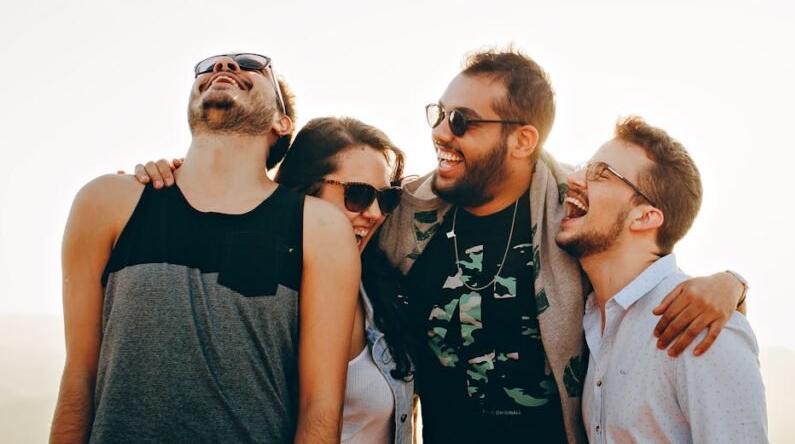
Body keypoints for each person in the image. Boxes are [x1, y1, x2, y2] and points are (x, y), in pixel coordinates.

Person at [377, 48, 749, 443]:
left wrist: (731, 284)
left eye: (460, 120)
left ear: (523, 140)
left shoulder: (574, 210)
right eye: (439, 113)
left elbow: (646, 256)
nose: (440, 131)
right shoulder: (401, 215)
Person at [50, 53, 361, 443]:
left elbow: (320, 406)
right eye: (210, 66)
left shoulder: (318, 228)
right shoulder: (106, 202)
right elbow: (79, 376)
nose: (225, 66)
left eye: (251, 66)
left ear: (282, 123)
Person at [556, 116, 768, 443]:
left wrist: (735, 283)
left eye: (600, 173)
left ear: (645, 216)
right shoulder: (592, 319)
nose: (575, 178)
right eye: (585, 166)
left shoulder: (702, 327)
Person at [275, 117, 416, 444]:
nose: (376, 213)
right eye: (358, 195)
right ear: (304, 191)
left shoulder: (379, 289)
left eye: (386, 198)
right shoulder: (264, 295)